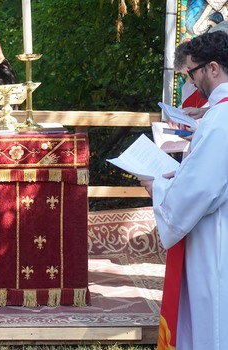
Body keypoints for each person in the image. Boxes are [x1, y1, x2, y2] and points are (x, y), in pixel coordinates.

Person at [141, 30, 228, 349]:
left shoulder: (221, 121)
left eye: (192, 74)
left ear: (213, 68)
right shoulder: (217, 117)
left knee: (214, 322)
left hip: (217, 242)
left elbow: (198, 192)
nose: (191, 83)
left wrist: (158, 186)